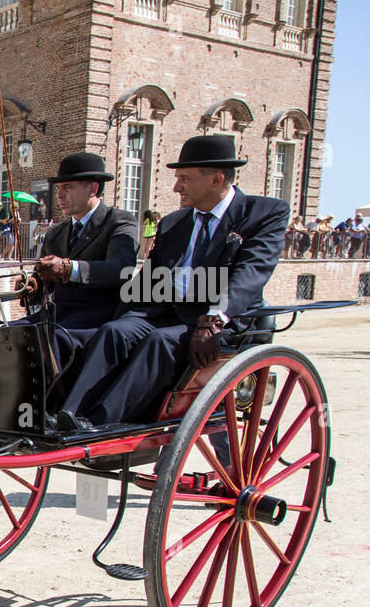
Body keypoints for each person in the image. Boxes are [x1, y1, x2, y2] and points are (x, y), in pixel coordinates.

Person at [56, 134, 290, 430]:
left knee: (159, 341)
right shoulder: (174, 222)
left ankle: (100, 423)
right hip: (167, 312)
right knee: (114, 331)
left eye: (184, 179)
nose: (176, 187)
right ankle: (68, 416)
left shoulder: (264, 213)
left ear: (216, 180)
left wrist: (215, 319)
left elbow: (252, 272)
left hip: (218, 320)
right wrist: (122, 313)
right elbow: (149, 280)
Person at [12, 151, 138, 370]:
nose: (59, 195)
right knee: (6, 333)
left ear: (92, 188)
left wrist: (68, 269)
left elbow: (121, 269)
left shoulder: (119, 222)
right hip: (57, 314)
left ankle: (51, 402)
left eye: (67, 188)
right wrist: (32, 287)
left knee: (55, 340)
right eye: (59, 189)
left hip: (97, 317)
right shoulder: (56, 233)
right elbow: (44, 279)